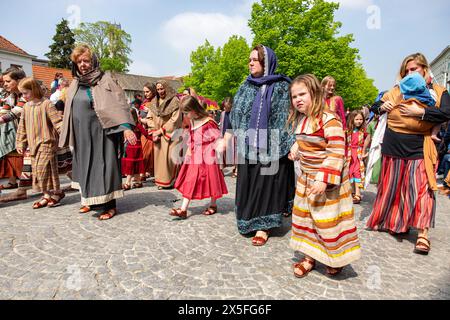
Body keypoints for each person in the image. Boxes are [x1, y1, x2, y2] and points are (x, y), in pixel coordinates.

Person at [366, 53, 450, 254]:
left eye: (415, 69)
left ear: (424, 69)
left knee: (421, 190)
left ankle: (423, 234)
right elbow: (374, 107)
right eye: (407, 70)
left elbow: (447, 113)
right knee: (394, 187)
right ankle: (397, 224)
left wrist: (420, 113)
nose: (411, 73)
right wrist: (380, 106)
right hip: (393, 145)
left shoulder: (439, 91)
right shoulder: (396, 90)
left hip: (420, 146)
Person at [288, 74, 361, 278]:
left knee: (328, 222)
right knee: (307, 220)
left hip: (327, 182)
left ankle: (335, 258)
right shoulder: (303, 120)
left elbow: (336, 151)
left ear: (315, 93)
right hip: (307, 179)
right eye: (294, 96)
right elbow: (304, 140)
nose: (298, 99)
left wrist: (323, 178)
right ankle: (310, 257)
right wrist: (296, 149)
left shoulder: (330, 120)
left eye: (302, 94)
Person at [224, 44, 295, 246]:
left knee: (266, 186)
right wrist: (229, 137)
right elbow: (236, 112)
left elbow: (287, 117)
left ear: (266, 62)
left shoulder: (281, 86)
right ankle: (248, 221)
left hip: (271, 145)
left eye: (255, 59)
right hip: (248, 146)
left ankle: (264, 226)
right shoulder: (245, 86)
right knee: (249, 184)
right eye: (249, 59)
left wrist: (289, 143)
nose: (250, 63)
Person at [59, 44, 136, 220]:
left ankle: (109, 205)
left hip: (102, 132)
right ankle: (90, 200)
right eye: (79, 61)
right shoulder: (75, 83)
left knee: (103, 165)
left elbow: (119, 103)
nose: (83, 64)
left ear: (93, 61)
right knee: (85, 166)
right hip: (81, 134)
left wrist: (125, 128)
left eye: (86, 60)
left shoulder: (105, 79)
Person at [170, 96, 228, 219]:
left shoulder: (209, 121)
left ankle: (213, 205)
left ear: (194, 109)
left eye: (186, 112)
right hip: (195, 155)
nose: (185, 115)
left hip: (208, 155)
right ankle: (183, 209)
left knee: (212, 180)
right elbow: (191, 137)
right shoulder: (191, 121)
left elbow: (217, 138)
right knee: (190, 180)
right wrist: (188, 152)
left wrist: (220, 147)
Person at [16, 77, 65, 208]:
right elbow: (22, 126)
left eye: (25, 93)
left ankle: (57, 192)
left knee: (43, 168)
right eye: (22, 93)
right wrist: (20, 143)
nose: (23, 96)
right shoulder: (26, 107)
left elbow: (57, 122)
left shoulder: (46, 104)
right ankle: (48, 195)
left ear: (34, 90)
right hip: (33, 144)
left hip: (47, 142)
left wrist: (66, 135)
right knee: (39, 171)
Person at [146, 80, 182, 190]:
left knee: (170, 160)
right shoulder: (154, 102)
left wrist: (161, 130)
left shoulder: (175, 101)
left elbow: (174, 120)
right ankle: (161, 181)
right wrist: (153, 130)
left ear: (167, 88)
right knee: (159, 160)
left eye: (162, 89)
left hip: (170, 135)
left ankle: (172, 181)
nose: (160, 91)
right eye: (158, 89)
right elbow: (150, 117)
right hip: (157, 135)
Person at [0, 68, 27, 196]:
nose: (4, 84)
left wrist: (1, 120)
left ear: (18, 81)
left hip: (37, 132)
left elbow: (16, 112)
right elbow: (4, 111)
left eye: (8, 81)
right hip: (24, 132)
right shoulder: (12, 95)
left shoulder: (27, 92)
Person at [122, 108, 151, 190]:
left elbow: (146, 134)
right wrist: (153, 138)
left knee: (131, 164)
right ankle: (138, 181)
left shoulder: (129, 126)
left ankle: (127, 183)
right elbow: (146, 134)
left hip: (132, 147)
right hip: (136, 147)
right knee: (136, 163)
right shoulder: (137, 125)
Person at [347, 110, 370, 204]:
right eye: (356, 119)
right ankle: (352, 191)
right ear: (352, 120)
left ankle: (358, 193)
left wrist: (364, 151)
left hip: (358, 153)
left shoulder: (363, 130)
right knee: (350, 172)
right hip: (349, 153)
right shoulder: (347, 130)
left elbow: (367, 139)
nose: (359, 121)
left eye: (361, 119)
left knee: (357, 172)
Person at [138, 83, 157, 180]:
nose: (145, 94)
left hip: (151, 130)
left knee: (150, 153)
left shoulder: (156, 102)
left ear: (153, 91)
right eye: (144, 92)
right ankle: (143, 172)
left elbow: (157, 118)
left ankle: (151, 172)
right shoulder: (144, 102)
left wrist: (145, 120)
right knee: (143, 152)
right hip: (143, 130)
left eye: (147, 91)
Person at [219, 97, 237, 177]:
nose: (224, 108)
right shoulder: (223, 113)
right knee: (221, 152)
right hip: (224, 134)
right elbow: (222, 125)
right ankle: (221, 170)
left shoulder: (235, 113)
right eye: (224, 107)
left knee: (235, 153)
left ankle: (236, 169)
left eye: (226, 107)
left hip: (233, 134)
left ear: (231, 106)